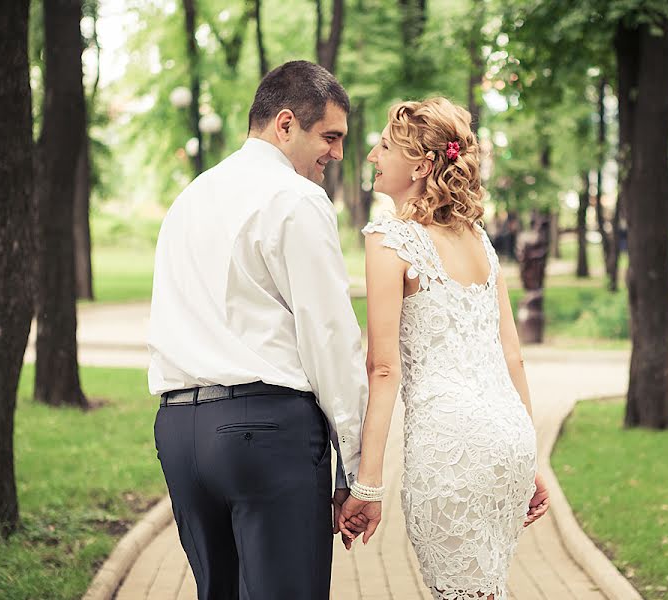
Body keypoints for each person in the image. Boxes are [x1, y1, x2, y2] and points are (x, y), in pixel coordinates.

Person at [147, 60, 367, 600]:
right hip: (266, 433)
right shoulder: (295, 198)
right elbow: (330, 337)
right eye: (330, 136)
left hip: (179, 434)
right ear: (285, 123)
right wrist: (357, 469)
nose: (337, 154)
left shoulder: (190, 198)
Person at [338, 97, 550, 600]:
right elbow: (512, 355)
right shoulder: (479, 240)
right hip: (510, 444)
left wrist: (367, 486)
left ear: (421, 165)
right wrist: (532, 460)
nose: (371, 155)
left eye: (384, 146)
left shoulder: (389, 239)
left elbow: (383, 368)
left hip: (450, 453)